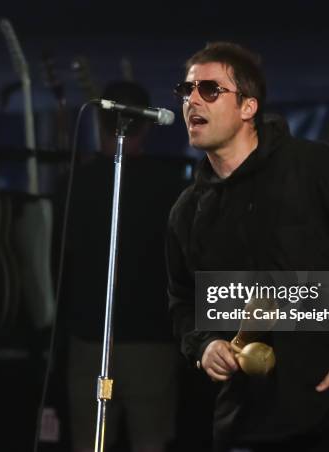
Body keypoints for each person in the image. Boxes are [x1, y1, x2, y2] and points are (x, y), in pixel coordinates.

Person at [166, 42, 329, 452]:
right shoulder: (188, 211)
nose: (192, 101)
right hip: (248, 422)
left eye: (209, 90)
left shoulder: (317, 169)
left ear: (248, 107)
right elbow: (183, 300)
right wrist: (205, 345)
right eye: (186, 90)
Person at [61, 81, 187, 452]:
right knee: (150, 440)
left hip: (91, 336)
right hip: (148, 341)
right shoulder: (169, 186)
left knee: (91, 441)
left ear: (99, 122)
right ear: (147, 126)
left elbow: (58, 258)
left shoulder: (76, 183)